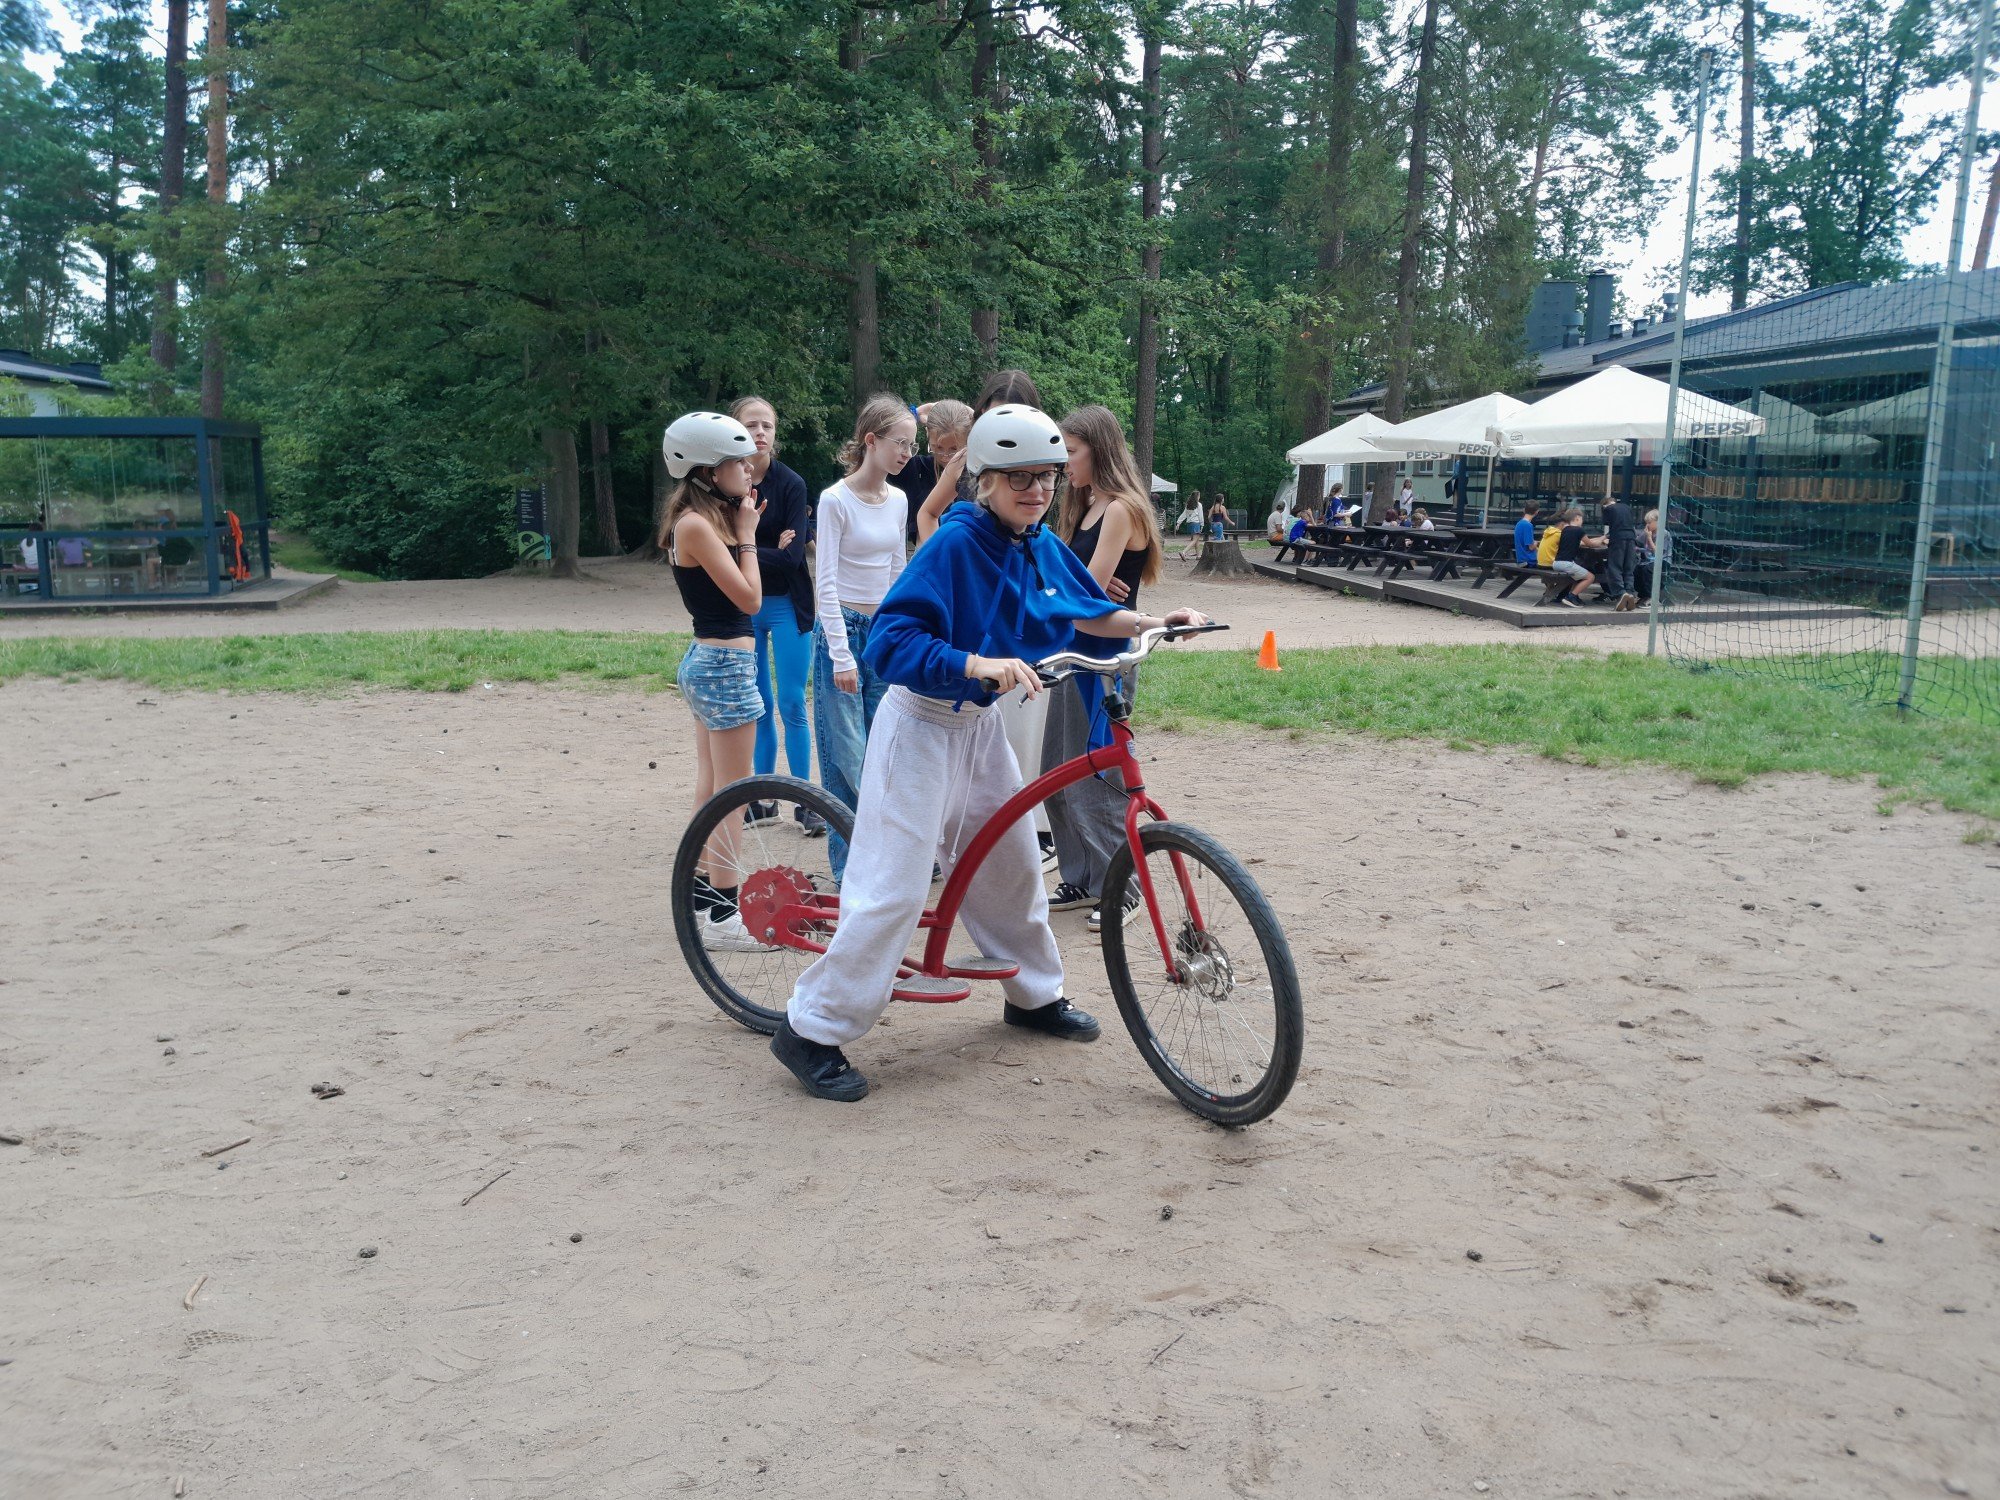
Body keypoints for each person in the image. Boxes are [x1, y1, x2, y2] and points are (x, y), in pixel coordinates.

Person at [767, 403, 1210, 1102]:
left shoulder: (1037, 542)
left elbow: (1085, 611)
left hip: (977, 728)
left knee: (1012, 864)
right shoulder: (955, 544)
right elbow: (892, 640)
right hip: (920, 725)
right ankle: (812, 1030)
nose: (1037, 490)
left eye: (1047, 476)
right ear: (986, 480)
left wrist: (1159, 621)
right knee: (894, 886)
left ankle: (1033, 995)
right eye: (1020, 478)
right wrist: (974, 664)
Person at [1040, 404, 1167, 934]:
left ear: (1099, 450)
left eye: (1070, 452)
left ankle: (1124, 886)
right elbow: (1071, 587)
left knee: (1097, 775)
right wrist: (1070, 589)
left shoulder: (1120, 509)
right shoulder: (1084, 505)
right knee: (1055, 772)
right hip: (1073, 652)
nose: (1062, 464)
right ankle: (1082, 876)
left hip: (1104, 659)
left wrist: (1070, 590)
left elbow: (1079, 594)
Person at [659, 410, 767, 950]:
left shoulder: (703, 521)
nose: (748, 469)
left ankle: (702, 896)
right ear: (706, 471)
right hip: (723, 666)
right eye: (737, 462)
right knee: (734, 793)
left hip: (715, 662)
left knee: (713, 785)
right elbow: (750, 600)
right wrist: (748, 537)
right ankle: (725, 915)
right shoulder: (696, 526)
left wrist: (741, 528)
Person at [813, 393, 914, 882]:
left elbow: (897, 570)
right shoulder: (835, 500)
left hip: (881, 633)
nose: (907, 453)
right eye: (900, 443)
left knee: (884, 748)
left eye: (912, 446)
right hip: (844, 632)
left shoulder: (899, 500)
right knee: (846, 755)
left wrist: (901, 631)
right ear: (871, 440)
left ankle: (883, 864)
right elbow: (825, 582)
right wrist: (840, 655)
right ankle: (848, 873)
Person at [731, 396, 822, 835]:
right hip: (744, 606)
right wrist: (762, 547)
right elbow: (719, 549)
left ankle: (806, 802)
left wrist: (744, 545)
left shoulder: (791, 484)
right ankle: (764, 801)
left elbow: (791, 560)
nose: (760, 432)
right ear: (736, 431)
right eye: (751, 425)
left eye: (767, 425)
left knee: (791, 703)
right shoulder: (724, 482)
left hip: (789, 604)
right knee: (760, 706)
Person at [901, 399, 975, 547]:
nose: (945, 456)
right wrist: (914, 414)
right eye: (938, 447)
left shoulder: (978, 477)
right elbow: (878, 449)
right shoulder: (918, 469)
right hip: (929, 555)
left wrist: (976, 418)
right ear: (927, 434)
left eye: (954, 449)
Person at [1536, 507, 1605, 607]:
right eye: (1581, 519)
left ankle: (1571, 596)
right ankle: (1571, 596)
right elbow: (1590, 544)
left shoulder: (1564, 530)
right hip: (1566, 564)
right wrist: (1603, 539)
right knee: (1590, 577)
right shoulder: (1579, 530)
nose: (1582, 521)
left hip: (1556, 563)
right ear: (1577, 518)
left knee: (1578, 575)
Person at [1597, 491, 1640, 610]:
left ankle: (1621, 593)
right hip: (1631, 539)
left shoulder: (1608, 509)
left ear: (1604, 505)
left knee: (1615, 568)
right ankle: (1630, 593)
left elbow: (1607, 522)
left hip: (1618, 539)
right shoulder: (1626, 507)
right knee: (1628, 568)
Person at [1174, 490, 1204, 559]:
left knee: (1196, 539)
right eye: (1199, 496)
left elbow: (1184, 514)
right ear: (1197, 496)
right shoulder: (1199, 504)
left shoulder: (1188, 505)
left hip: (1190, 523)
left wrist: (1178, 523)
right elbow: (1200, 515)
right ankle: (1183, 552)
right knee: (1195, 540)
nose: (1199, 497)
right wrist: (1202, 524)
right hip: (1196, 523)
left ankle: (1198, 555)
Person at [1513, 499, 1542, 564]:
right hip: (1529, 560)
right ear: (1537, 511)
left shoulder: (1519, 523)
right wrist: (1536, 543)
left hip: (1521, 559)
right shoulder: (1528, 525)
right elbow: (1531, 547)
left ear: (1524, 510)